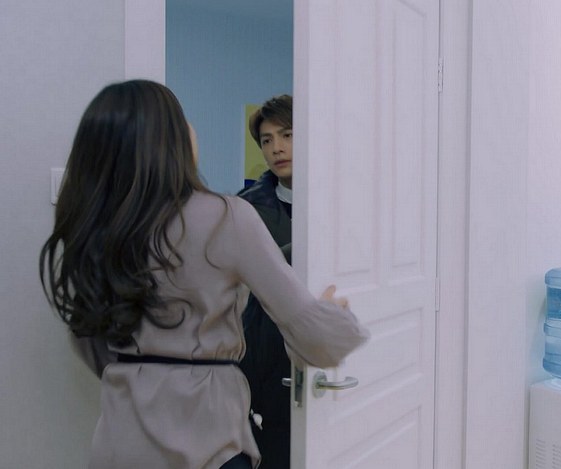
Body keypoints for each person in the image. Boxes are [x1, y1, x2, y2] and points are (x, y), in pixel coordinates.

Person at [39, 80, 369, 469]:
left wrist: (142, 369)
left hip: (120, 442)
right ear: (170, 138)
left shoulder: (95, 226)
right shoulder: (227, 216)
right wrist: (333, 315)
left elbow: (87, 340)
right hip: (208, 442)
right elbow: (318, 338)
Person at [237, 95, 295, 469]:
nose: (277, 148)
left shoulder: (343, 202)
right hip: (266, 356)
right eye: (267, 140)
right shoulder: (245, 208)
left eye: (287, 135)